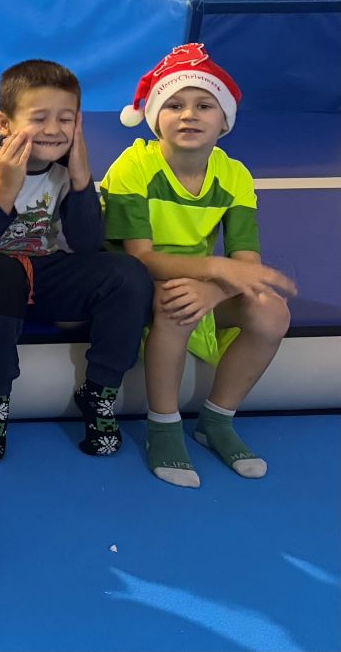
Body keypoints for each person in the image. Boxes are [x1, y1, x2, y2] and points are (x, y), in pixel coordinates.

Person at [100, 45, 295, 487]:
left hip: (199, 277)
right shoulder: (134, 166)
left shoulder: (235, 175)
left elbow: (246, 262)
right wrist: (213, 274)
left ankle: (217, 420)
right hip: (135, 283)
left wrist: (214, 288)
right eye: (174, 105)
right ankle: (163, 427)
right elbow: (139, 258)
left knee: (271, 312)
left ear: (224, 120)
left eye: (204, 105)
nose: (189, 115)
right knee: (180, 302)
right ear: (155, 118)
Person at [0, 60, 152, 461]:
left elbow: (86, 244)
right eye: (39, 118)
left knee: (128, 273)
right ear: (4, 123)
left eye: (65, 119)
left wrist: (81, 179)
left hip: (43, 272)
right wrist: (4, 191)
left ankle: (100, 391)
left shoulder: (66, 167)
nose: (53, 129)